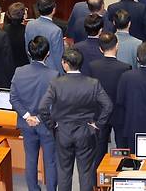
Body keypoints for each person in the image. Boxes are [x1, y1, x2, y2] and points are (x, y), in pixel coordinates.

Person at [38, 48, 112, 191]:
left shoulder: (56, 83)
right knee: (85, 173)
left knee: (64, 173)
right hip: (86, 132)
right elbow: (108, 105)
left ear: (64, 63)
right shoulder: (92, 83)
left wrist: (52, 125)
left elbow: (42, 108)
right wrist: (98, 125)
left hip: (63, 132)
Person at [10, 36, 59, 191]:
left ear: (29, 53)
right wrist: (38, 117)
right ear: (48, 53)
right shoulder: (54, 75)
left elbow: (13, 98)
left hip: (27, 124)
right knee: (50, 161)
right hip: (46, 125)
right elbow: (54, 104)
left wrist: (27, 116)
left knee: (30, 160)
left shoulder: (19, 72)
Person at [88, 32, 131, 166]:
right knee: (123, 149)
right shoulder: (125, 67)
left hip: (99, 113)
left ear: (100, 48)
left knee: (99, 150)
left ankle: (97, 182)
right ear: (117, 45)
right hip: (120, 114)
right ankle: (124, 177)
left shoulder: (92, 66)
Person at [24, 0, 64, 74]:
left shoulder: (29, 24)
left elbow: (28, 49)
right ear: (54, 10)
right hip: (52, 73)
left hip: (34, 69)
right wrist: (62, 75)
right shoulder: (56, 31)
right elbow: (58, 57)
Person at [3, 2, 30, 68]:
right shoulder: (27, 30)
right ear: (23, 15)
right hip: (24, 65)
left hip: (9, 65)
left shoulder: (4, 29)